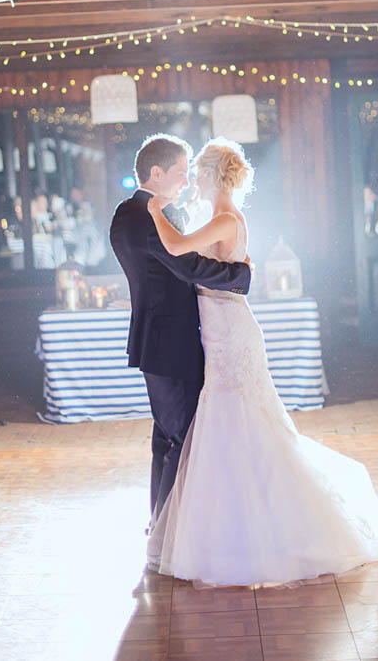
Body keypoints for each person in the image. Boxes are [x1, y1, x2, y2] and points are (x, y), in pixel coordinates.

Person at [146, 137, 378, 587]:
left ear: (212, 175)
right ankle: (237, 528)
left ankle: (256, 533)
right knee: (236, 424)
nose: (193, 180)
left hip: (230, 333)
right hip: (222, 330)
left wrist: (153, 211)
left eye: (197, 173)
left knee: (239, 422)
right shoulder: (225, 218)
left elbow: (178, 250)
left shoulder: (223, 218)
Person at [109, 134, 251, 521]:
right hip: (173, 341)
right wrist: (240, 275)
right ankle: (170, 530)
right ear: (156, 173)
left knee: (166, 438)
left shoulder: (124, 213)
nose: (186, 182)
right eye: (179, 173)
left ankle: (160, 523)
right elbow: (186, 267)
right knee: (182, 439)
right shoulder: (159, 216)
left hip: (154, 339)